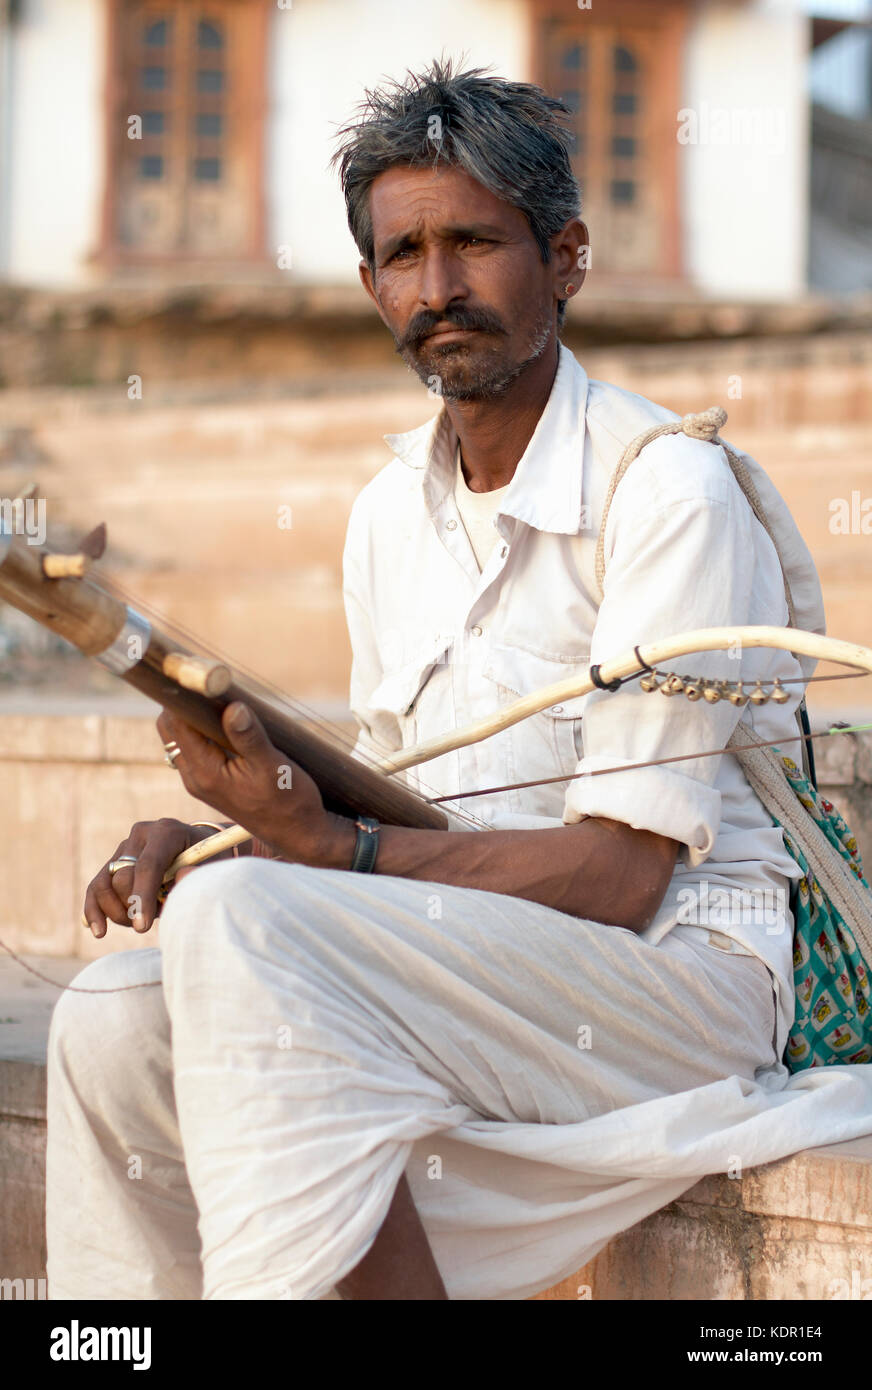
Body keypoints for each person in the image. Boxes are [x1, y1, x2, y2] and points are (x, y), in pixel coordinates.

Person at [45, 59, 871, 1303]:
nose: (437, 290)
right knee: (111, 1010)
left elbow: (618, 870)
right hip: (479, 954)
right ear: (371, 280)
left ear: (567, 259)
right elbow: (410, 809)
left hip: (677, 978)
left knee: (248, 929)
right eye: (402, 254)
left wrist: (328, 863)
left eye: (474, 243)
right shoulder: (388, 512)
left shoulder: (666, 491)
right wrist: (237, 838)